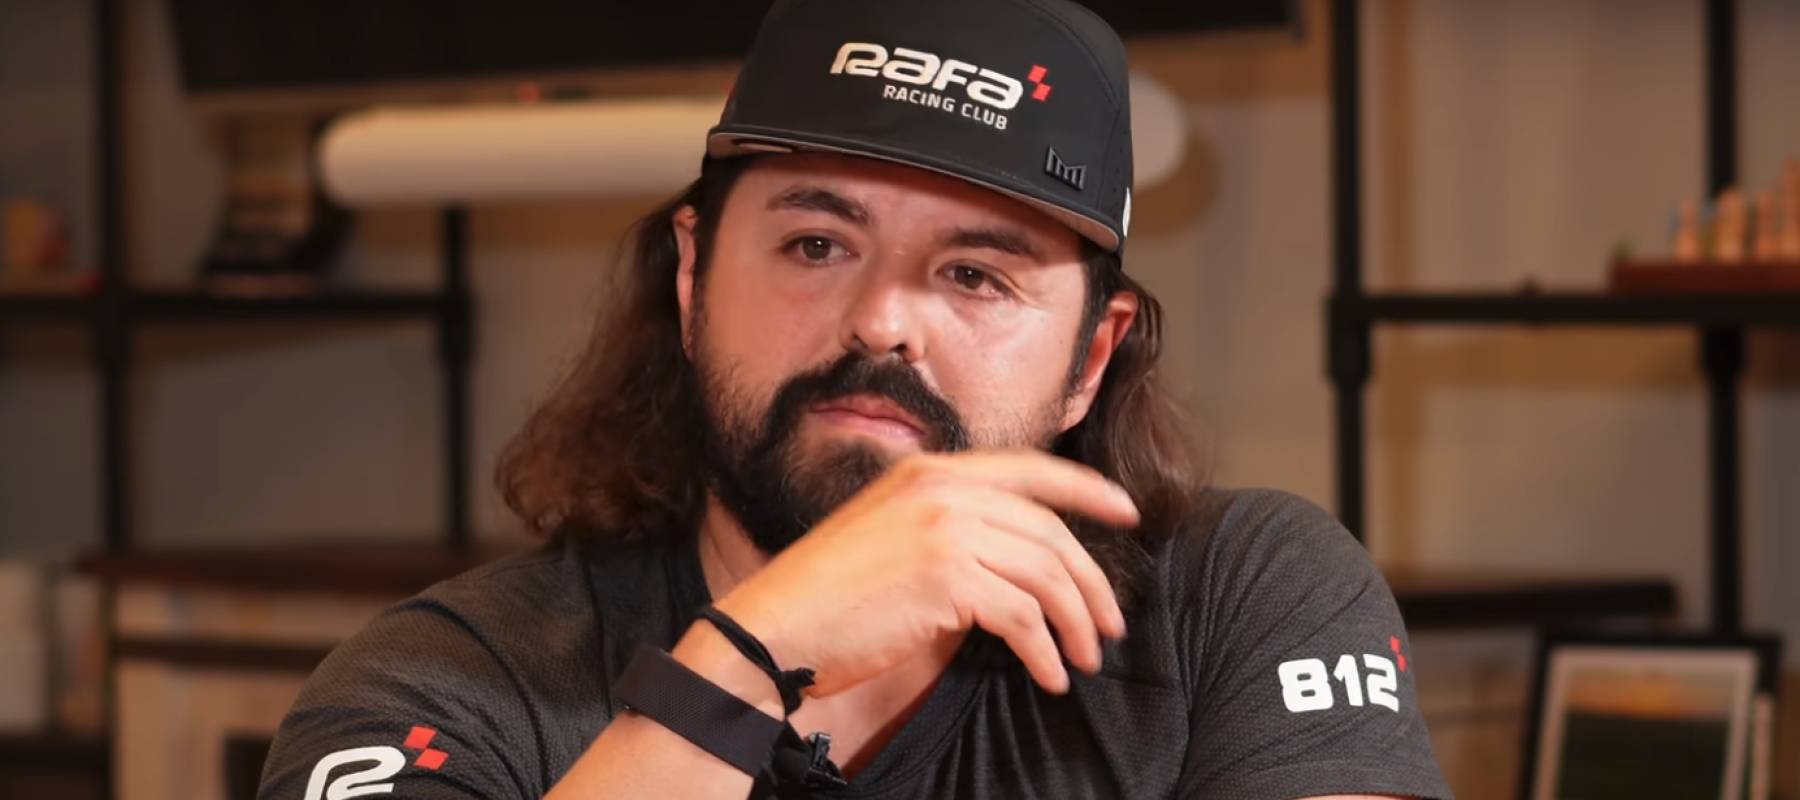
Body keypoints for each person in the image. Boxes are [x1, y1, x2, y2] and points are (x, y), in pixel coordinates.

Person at [258, 1, 1451, 798]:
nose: (885, 319)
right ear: (690, 278)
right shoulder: (447, 679)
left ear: (1094, 356)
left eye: (975, 274)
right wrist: (750, 660)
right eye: (818, 244)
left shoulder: (1238, 599)